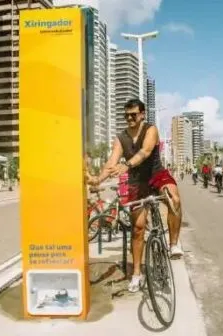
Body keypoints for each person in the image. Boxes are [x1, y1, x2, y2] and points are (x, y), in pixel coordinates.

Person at [87, 98, 183, 293]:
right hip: (136, 182)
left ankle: (173, 244)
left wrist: (127, 165)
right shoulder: (121, 138)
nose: (129, 118)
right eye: (126, 115)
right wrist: (99, 179)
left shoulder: (151, 129)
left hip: (156, 174)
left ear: (142, 115)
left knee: (174, 199)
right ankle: (137, 274)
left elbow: (146, 151)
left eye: (133, 114)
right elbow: (111, 162)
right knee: (138, 229)